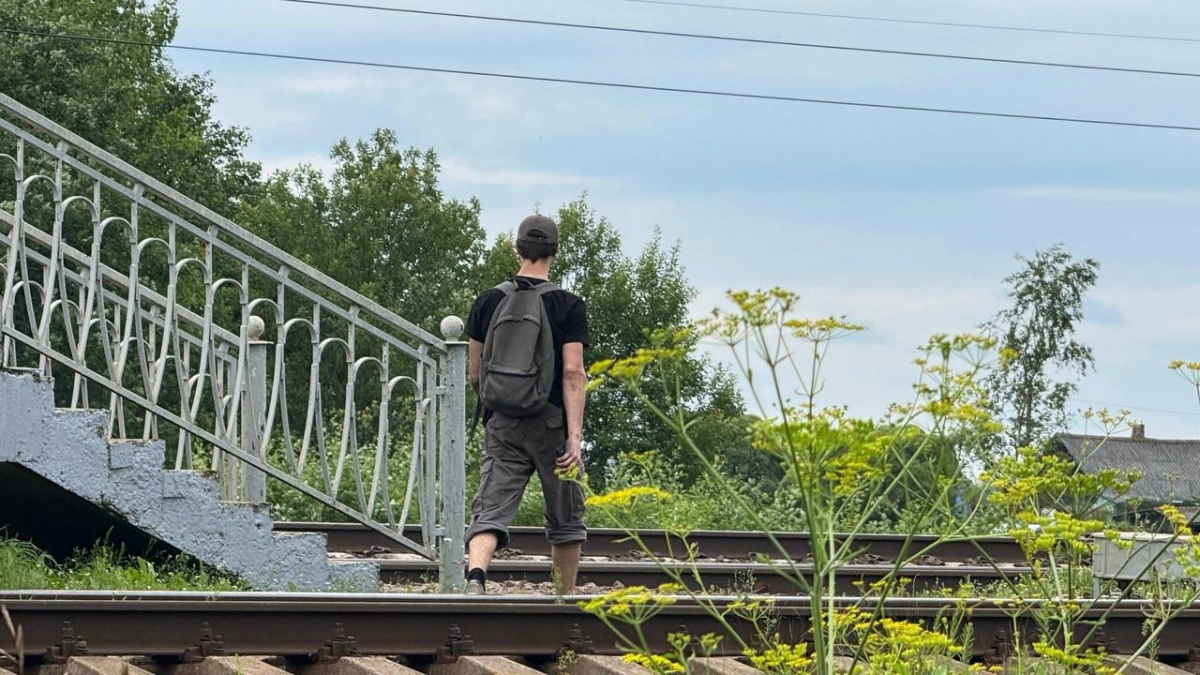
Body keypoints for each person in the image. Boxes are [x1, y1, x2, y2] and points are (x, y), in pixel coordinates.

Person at [463, 213, 589, 595]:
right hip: (551, 422)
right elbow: (572, 373)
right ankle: (563, 599)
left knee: (490, 506)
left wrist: (498, 404)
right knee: (566, 518)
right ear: (556, 250)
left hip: (503, 420)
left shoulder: (487, 301)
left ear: (517, 248)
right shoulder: (568, 305)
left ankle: (476, 578)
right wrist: (574, 437)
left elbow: (474, 372)